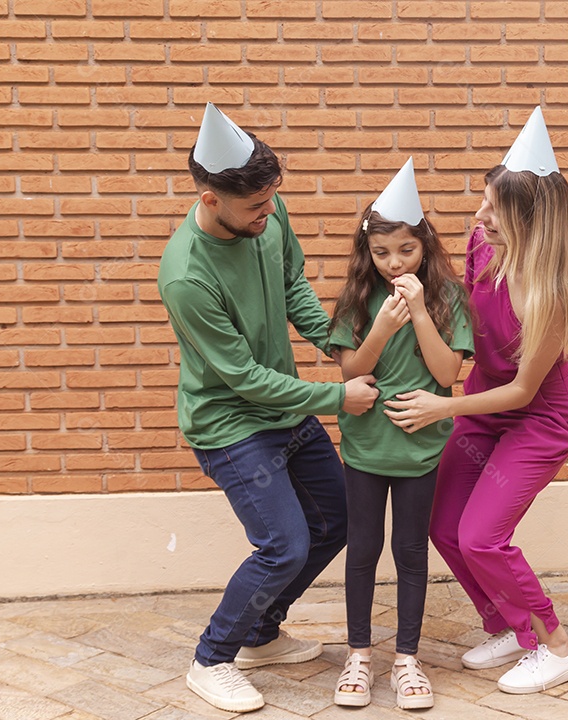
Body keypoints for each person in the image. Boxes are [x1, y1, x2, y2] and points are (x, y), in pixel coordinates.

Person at [158, 103, 379, 714]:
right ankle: (212, 658)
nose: (267, 212)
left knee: (336, 521)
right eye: (254, 206)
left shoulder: (266, 210)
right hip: (231, 425)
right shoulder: (186, 276)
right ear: (209, 199)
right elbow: (246, 380)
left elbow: (292, 284)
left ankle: (261, 633)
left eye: (270, 200)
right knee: (282, 542)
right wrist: (339, 396)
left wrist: (336, 343)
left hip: (285, 408)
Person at [383, 107, 568, 694]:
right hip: (481, 408)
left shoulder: (550, 291)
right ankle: (508, 623)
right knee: (444, 527)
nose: (479, 216)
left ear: (530, 219)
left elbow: (525, 389)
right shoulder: (481, 245)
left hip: (536, 422)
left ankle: (555, 645)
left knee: (482, 537)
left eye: (494, 208)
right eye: (484, 201)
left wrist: (439, 406)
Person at [327, 159, 474, 710]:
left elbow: (445, 375)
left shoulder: (449, 299)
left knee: (410, 550)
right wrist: (383, 325)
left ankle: (407, 661)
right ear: (368, 251)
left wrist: (416, 313)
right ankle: (360, 656)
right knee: (362, 548)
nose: (393, 263)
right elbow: (350, 373)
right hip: (366, 446)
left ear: (425, 246)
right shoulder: (355, 301)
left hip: (421, 447)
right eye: (382, 252)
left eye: (406, 251)